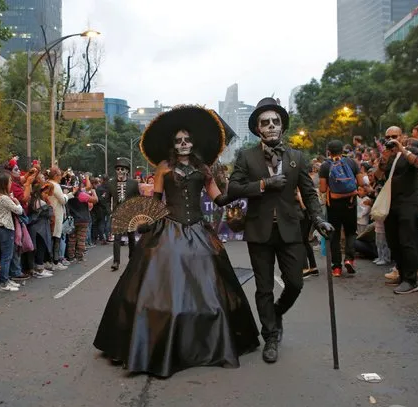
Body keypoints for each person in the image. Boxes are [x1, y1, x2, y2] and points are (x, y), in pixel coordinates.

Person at [94, 105, 259, 378]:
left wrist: (238, 196)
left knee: (209, 284)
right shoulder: (163, 168)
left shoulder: (204, 169)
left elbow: (218, 198)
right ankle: (159, 340)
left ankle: (205, 341)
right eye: (178, 141)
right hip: (169, 229)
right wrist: (146, 221)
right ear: (173, 144)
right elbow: (156, 202)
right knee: (160, 284)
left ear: (193, 142)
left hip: (198, 229)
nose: (183, 144)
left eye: (187, 140)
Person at [228, 97, 333, 363]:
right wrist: (263, 184)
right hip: (259, 231)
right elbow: (234, 188)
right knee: (264, 288)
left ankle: (276, 312)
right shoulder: (246, 156)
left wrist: (318, 219)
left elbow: (309, 193)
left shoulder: (296, 156)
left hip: (290, 230)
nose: (272, 125)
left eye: (276, 121)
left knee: (295, 283)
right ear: (258, 129)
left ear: (282, 127)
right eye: (266, 122)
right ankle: (270, 336)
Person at [378, 126, 418, 295]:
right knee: (393, 242)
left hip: (408, 203)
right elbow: (377, 176)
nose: (391, 139)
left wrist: (401, 149)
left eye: (394, 136)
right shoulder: (388, 155)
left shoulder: (410, 150)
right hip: (392, 204)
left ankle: (411, 280)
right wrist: (383, 159)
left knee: (407, 241)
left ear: (402, 136)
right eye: (388, 137)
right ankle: (401, 273)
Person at [319, 140, 365, 277]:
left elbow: (322, 188)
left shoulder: (325, 166)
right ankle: (349, 259)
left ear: (328, 151)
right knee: (351, 232)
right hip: (350, 202)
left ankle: (336, 267)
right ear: (342, 150)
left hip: (333, 205)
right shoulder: (351, 163)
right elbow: (361, 182)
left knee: (335, 235)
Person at [107, 159, 140, 271]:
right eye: (118, 169)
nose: (120, 171)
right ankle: (116, 262)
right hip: (117, 214)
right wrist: (110, 212)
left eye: (122, 169)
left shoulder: (134, 183)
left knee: (131, 237)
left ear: (127, 171)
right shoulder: (111, 183)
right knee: (117, 238)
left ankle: (132, 258)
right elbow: (107, 199)